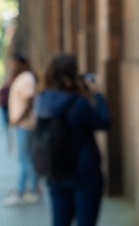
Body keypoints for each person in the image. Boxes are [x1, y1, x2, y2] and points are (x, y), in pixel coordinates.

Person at [33, 54, 110, 226]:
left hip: (55, 169)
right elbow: (103, 122)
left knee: (60, 221)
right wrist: (97, 94)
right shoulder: (78, 103)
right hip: (84, 171)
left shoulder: (42, 100)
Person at [4, 52, 40, 206]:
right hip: (22, 124)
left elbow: (30, 100)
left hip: (24, 124)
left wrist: (19, 119)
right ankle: (25, 189)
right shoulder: (23, 77)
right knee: (25, 158)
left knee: (25, 158)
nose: (13, 66)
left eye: (15, 63)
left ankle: (29, 189)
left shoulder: (26, 78)